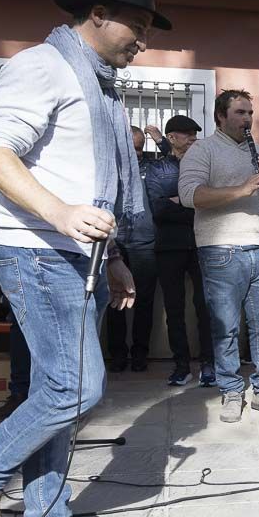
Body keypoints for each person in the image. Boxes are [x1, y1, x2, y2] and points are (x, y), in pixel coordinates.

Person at [0, 0, 156, 517]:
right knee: (75, 388)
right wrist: (61, 214)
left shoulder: (98, 84)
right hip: (38, 253)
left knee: (57, 396)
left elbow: (92, 183)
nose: (144, 38)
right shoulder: (41, 66)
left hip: (76, 256)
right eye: (136, 24)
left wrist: (109, 256)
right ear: (98, 14)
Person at [178, 89, 259, 423]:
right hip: (221, 248)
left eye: (249, 113)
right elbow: (189, 195)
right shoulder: (202, 150)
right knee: (226, 327)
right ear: (220, 116)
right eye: (240, 113)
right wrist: (241, 190)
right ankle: (231, 391)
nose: (247, 119)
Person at [144, 115, 214, 386]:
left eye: (195, 134)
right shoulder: (158, 169)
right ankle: (181, 365)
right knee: (174, 309)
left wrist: (179, 200)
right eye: (187, 134)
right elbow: (158, 209)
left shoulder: (204, 169)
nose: (194, 138)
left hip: (201, 244)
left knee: (206, 307)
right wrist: (192, 203)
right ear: (171, 137)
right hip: (169, 247)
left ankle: (209, 364)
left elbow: (210, 204)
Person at [105, 126, 157, 373]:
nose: (137, 153)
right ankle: (117, 354)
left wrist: (160, 141)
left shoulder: (151, 167)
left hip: (145, 241)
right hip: (115, 241)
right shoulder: (107, 168)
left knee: (144, 300)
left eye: (140, 147)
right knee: (115, 299)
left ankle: (140, 353)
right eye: (133, 147)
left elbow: (175, 163)